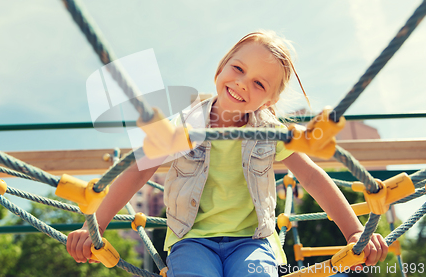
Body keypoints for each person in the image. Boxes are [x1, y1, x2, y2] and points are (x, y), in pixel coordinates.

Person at [66, 31, 388, 276]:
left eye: (260, 84)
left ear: (269, 103)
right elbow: (139, 169)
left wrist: (355, 231)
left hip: (253, 242)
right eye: (238, 68)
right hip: (191, 239)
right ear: (222, 67)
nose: (243, 83)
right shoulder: (183, 126)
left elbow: (314, 178)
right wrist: (95, 225)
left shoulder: (271, 132)